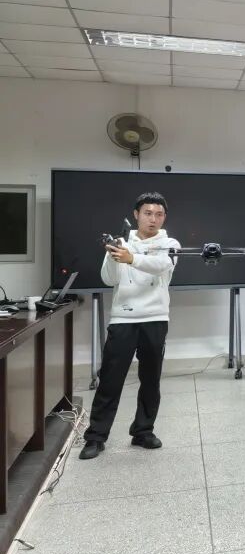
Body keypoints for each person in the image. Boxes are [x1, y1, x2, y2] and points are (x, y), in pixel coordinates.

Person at [81, 193, 180, 460]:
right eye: (148, 213)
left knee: (151, 380)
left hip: (156, 318)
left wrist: (131, 259)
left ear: (164, 218)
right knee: (110, 380)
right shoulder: (122, 242)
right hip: (123, 319)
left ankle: (143, 431)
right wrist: (115, 257)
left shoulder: (170, 244)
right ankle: (95, 437)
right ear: (136, 215)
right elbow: (108, 279)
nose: (153, 219)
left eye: (159, 214)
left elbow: (162, 266)